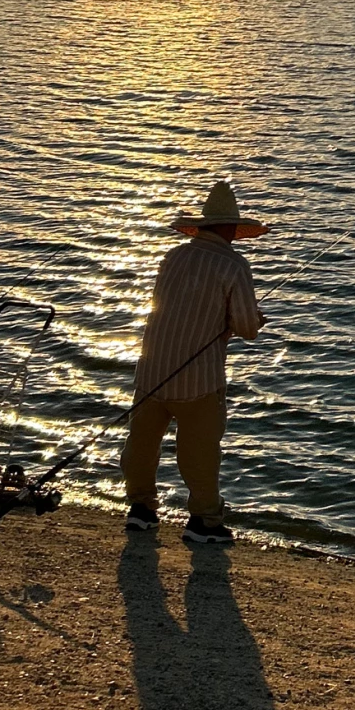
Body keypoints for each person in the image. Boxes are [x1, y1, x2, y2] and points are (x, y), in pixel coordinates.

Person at [122, 179, 269, 543]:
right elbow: (247, 327)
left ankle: (141, 510)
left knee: (141, 444)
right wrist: (252, 320)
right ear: (231, 228)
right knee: (199, 454)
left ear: (203, 226)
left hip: (152, 370)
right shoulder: (234, 266)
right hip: (199, 379)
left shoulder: (173, 256)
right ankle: (204, 522)